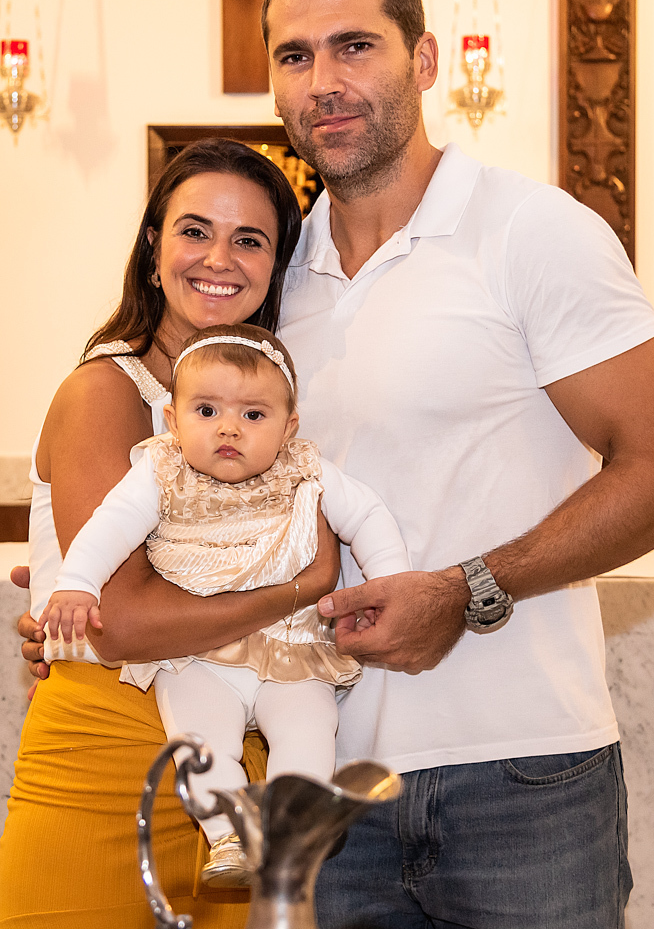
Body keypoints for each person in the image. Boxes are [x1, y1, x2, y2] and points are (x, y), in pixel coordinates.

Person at [255, 0, 654, 929]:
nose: (323, 81)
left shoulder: (530, 231)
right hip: (326, 780)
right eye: (295, 55)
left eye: (355, 45)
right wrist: (88, 591)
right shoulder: (271, 279)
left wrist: (468, 588)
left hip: (522, 777)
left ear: (425, 59)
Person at [0, 139, 341, 928]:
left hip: (241, 764)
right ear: (154, 248)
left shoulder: (272, 416)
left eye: (249, 239)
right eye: (194, 231)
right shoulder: (106, 390)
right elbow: (117, 621)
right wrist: (300, 588)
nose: (218, 258)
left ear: (274, 268)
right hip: (106, 757)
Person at [39, 322, 410, 888]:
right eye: (206, 411)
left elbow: (368, 515)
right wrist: (77, 584)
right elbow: (109, 526)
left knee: (310, 732)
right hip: (197, 655)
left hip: (291, 649)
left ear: (289, 427)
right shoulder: (160, 470)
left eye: (253, 415)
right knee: (198, 741)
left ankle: (291, 832)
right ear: (173, 420)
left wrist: (391, 586)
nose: (229, 428)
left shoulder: (306, 469)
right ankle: (229, 836)